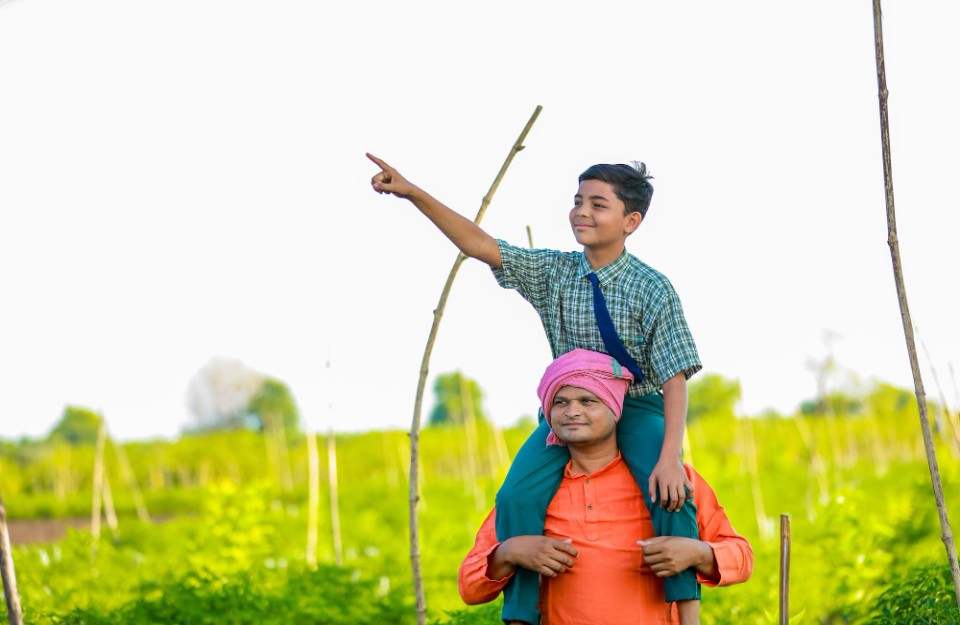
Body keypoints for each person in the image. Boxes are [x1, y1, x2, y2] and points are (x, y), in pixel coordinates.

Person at [368, 153, 703, 624]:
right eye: (578, 201)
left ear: (631, 221)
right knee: (515, 497)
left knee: (671, 494)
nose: (582, 212)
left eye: (598, 205)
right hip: (568, 411)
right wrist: (412, 193)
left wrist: (670, 457)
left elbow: (674, 378)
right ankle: (522, 611)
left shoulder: (653, 287)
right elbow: (479, 244)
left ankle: (688, 612)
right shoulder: (554, 272)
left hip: (636, 406)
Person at [458, 349, 753, 625]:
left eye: (588, 401)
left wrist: (698, 554)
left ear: (615, 407)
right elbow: (469, 586)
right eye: (560, 402)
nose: (572, 411)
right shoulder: (534, 491)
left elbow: (742, 557)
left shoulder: (667, 479)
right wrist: (508, 552)